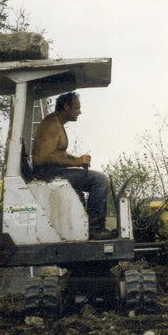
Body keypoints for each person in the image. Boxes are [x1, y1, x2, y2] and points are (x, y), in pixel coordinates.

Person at [31, 92, 115, 240]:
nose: (79, 112)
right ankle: (95, 229)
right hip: (48, 175)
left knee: (87, 187)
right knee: (100, 180)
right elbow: (41, 158)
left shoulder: (57, 123)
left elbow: (58, 153)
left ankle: (81, 228)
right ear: (66, 106)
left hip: (53, 172)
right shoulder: (52, 125)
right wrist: (75, 162)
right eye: (77, 108)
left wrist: (77, 159)